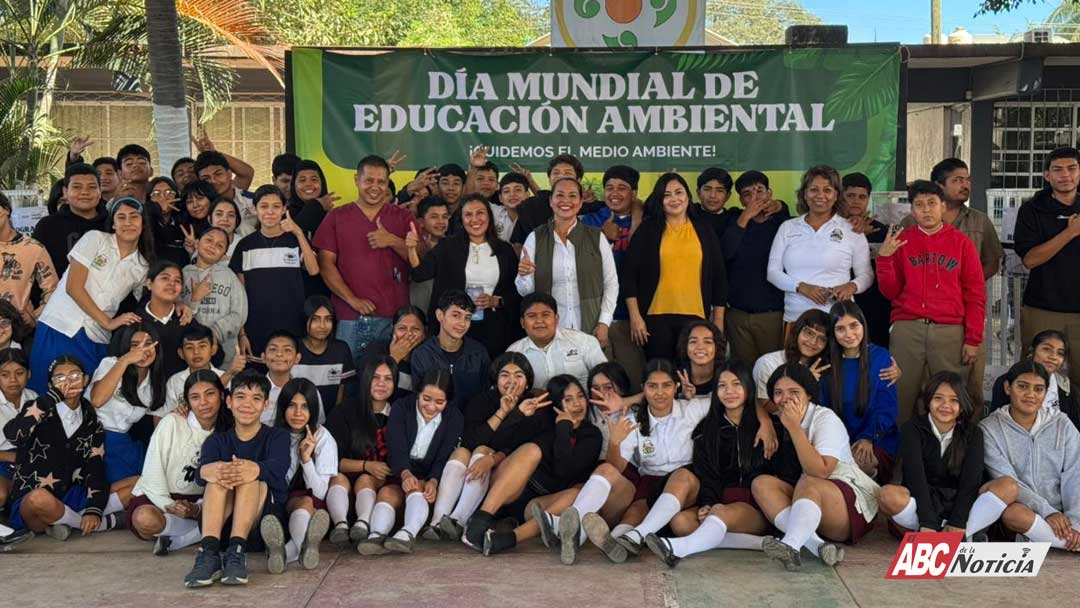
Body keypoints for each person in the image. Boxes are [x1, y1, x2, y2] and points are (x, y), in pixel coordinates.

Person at [542, 359, 711, 565]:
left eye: (666, 385)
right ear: (643, 389)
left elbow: (729, 398)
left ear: (676, 387)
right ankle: (602, 539)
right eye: (652, 386)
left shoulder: (692, 408)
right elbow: (617, 468)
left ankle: (635, 536)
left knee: (681, 477)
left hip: (686, 485)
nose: (659, 393)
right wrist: (614, 442)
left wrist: (764, 421)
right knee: (627, 500)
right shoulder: (632, 419)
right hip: (650, 484)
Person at [640, 363, 802, 567]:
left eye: (736, 384)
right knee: (680, 523)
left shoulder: (771, 428)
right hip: (720, 501)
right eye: (722, 386)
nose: (729, 392)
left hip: (756, 506)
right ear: (715, 392)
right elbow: (706, 475)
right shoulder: (706, 430)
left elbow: (784, 474)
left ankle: (679, 549)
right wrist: (707, 502)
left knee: (719, 513)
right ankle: (759, 544)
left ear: (747, 388)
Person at [752, 364, 880, 571]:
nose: (785, 399)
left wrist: (794, 427)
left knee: (810, 479)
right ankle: (816, 545)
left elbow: (821, 471)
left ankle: (790, 544)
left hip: (850, 505)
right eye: (778, 393)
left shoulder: (825, 418)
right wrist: (765, 421)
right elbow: (751, 400)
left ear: (809, 394)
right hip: (811, 502)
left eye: (794, 392)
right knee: (761, 483)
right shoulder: (780, 420)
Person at [877, 180, 986, 423]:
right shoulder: (902, 241)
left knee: (949, 396)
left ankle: (951, 456)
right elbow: (890, 291)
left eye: (932, 203)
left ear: (943, 206)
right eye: (919, 205)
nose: (926, 210)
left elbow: (975, 293)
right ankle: (899, 457)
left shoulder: (961, 243)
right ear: (911, 210)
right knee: (900, 395)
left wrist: (972, 338)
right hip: (908, 328)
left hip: (949, 330)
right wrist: (884, 259)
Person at [29, 197, 152, 394]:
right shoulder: (95, 238)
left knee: (84, 397)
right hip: (60, 325)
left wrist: (181, 304)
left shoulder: (142, 266)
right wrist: (109, 322)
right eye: (121, 217)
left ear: (143, 222)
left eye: (134, 217)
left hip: (96, 337)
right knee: (45, 391)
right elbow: (73, 287)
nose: (128, 223)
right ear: (113, 223)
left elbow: (150, 301)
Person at [184, 371, 290, 588]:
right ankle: (208, 554)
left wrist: (252, 469)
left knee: (250, 476)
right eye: (241, 397)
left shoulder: (277, 436)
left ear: (266, 405)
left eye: (256, 398)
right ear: (229, 402)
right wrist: (208, 471)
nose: (247, 404)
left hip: (260, 525)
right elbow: (200, 474)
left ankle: (237, 552)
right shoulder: (217, 441)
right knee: (216, 476)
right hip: (218, 527)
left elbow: (279, 467)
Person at [433, 352, 553, 545]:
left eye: (518, 376)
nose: (511, 381)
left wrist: (518, 414)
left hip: (509, 483)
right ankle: (441, 522)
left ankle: (465, 521)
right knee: (467, 451)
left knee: (486, 450)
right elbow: (470, 442)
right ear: (496, 379)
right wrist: (502, 411)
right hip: (472, 478)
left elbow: (518, 447)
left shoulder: (536, 405)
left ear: (528, 382)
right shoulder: (482, 401)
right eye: (505, 375)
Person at [478, 374, 604, 555]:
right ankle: (481, 519)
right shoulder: (542, 421)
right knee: (531, 449)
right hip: (508, 490)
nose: (577, 404)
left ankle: (510, 538)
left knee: (576, 495)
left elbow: (563, 471)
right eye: (568, 399)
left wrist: (564, 428)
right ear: (556, 404)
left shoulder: (591, 435)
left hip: (535, 505)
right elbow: (502, 443)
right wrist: (519, 414)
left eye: (580, 396)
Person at [3, 355, 125, 537]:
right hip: (33, 502)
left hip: (69, 494)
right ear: (51, 386)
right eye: (59, 378)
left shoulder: (90, 419)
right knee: (39, 498)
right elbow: (13, 434)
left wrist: (94, 509)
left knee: (137, 484)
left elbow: (95, 466)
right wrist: (50, 399)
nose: (68, 382)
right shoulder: (38, 407)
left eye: (75, 376)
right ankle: (90, 523)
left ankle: (70, 521)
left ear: (85, 380)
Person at [877, 372, 1007, 540]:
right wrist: (927, 521)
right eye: (938, 398)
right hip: (922, 501)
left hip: (960, 503)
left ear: (962, 403)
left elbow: (971, 480)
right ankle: (933, 532)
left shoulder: (973, 433)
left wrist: (958, 521)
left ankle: (961, 533)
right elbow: (916, 477)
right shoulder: (911, 428)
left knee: (1008, 486)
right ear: (928, 400)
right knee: (887, 495)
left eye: (954, 400)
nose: (946, 405)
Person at [314, 155, 414, 372]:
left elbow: (421, 261)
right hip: (351, 318)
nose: (375, 187)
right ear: (356, 180)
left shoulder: (403, 217)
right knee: (349, 382)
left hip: (395, 318)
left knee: (392, 384)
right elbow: (325, 264)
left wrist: (393, 241)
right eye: (369, 180)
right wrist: (353, 300)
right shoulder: (337, 217)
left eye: (381, 181)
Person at [357, 369, 464, 555]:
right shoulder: (401, 407)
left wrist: (433, 480)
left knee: (417, 488)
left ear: (448, 401)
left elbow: (444, 454)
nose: (431, 407)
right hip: (400, 468)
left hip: (429, 474)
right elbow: (395, 445)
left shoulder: (454, 417)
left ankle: (407, 534)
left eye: (439, 402)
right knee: (387, 492)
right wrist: (405, 472)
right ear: (418, 393)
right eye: (426, 399)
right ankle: (376, 535)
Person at [624, 173, 727, 361]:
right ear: (660, 200)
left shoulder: (704, 230)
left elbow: (719, 276)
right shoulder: (648, 230)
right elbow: (629, 274)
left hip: (696, 318)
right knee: (661, 374)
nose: (674, 199)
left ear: (688, 196)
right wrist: (635, 317)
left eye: (678, 192)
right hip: (655, 317)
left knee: (690, 375)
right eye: (667, 195)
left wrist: (718, 320)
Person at [127, 370, 231, 555]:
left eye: (210, 394)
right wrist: (168, 504)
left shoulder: (229, 430)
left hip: (203, 502)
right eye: (195, 397)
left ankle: (179, 539)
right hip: (162, 497)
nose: (204, 402)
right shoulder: (172, 423)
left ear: (221, 395)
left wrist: (197, 508)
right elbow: (153, 469)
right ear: (187, 401)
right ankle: (199, 532)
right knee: (145, 519)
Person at [980, 360, 1080, 551]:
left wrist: (1076, 521)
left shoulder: (1062, 424)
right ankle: (1069, 542)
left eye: (1038, 389)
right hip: (1025, 511)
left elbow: (1075, 474)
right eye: (1023, 386)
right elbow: (1008, 481)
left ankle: (1065, 536)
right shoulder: (989, 429)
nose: (1030, 395)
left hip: (1063, 513)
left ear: (1046, 392)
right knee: (1014, 514)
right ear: (1008, 388)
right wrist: (1047, 511)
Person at [407, 194, 521, 357]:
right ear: (461, 218)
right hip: (453, 326)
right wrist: (411, 249)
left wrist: (497, 301)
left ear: (489, 216)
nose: (475, 219)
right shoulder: (447, 246)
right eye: (468, 214)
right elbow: (419, 274)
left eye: (480, 213)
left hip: (494, 327)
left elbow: (517, 291)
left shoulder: (504, 250)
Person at [515, 177, 619, 344]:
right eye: (560, 195)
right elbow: (526, 292)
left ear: (580, 202)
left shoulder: (596, 237)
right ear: (551, 201)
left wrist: (604, 322)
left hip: (590, 324)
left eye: (572, 196)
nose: (566, 201)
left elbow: (611, 283)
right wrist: (524, 274)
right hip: (550, 329)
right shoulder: (536, 237)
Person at [767, 165, 872, 326]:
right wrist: (802, 287)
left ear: (836, 195)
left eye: (827, 190)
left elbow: (866, 275)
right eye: (814, 189)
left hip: (840, 320)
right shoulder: (788, 227)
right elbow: (772, 273)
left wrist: (852, 286)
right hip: (797, 319)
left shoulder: (851, 229)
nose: (820, 195)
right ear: (805, 194)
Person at [1015, 146, 1080, 393]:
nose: (1066, 175)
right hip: (1042, 307)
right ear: (1047, 176)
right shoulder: (1032, 209)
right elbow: (1030, 260)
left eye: (1072, 168)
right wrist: (1070, 232)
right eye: (1058, 169)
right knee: (1033, 377)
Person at [231, 185, 319, 358]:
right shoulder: (245, 245)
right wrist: (242, 334)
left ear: (284, 209)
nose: (270, 212)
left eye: (276, 206)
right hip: (255, 328)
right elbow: (238, 296)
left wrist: (299, 233)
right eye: (264, 206)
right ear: (254, 209)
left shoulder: (295, 241)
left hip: (292, 327)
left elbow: (314, 270)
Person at [261, 378, 335, 573]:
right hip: (273, 502)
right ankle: (299, 550)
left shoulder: (323, 437)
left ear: (313, 410)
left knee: (305, 502)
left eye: (305, 407)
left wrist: (306, 459)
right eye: (292, 406)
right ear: (283, 407)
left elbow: (319, 492)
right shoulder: (269, 431)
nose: (298, 413)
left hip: (305, 505)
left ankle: (286, 552)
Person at [580, 165, 645, 383]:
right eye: (609, 188)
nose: (614, 193)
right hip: (596, 319)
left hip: (632, 319)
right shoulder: (590, 221)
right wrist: (603, 236)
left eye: (622, 188)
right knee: (599, 381)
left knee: (634, 379)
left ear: (634, 193)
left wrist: (637, 217)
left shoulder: (647, 222)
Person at [820, 301, 899, 481]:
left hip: (875, 439)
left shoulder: (880, 357)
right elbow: (823, 410)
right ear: (833, 333)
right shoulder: (827, 365)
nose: (849, 334)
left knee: (858, 464)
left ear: (863, 324)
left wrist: (868, 437)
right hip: (839, 439)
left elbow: (886, 406)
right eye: (840, 329)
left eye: (854, 325)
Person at [324, 356, 396, 547]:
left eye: (388, 379)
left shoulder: (399, 414)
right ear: (365, 380)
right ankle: (340, 525)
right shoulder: (344, 411)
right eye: (376, 377)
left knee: (366, 479)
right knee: (338, 477)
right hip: (344, 481)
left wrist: (374, 471)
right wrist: (366, 465)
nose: (382, 384)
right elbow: (330, 461)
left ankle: (362, 524)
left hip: (379, 485)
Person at [89, 324, 166, 500]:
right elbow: (97, 400)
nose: (142, 350)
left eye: (148, 344)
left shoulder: (154, 383)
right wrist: (125, 361)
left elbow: (158, 427)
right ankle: (92, 510)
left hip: (123, 443)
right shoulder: (111, 363)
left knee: (150, 484)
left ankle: (109, 516)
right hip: (94, 437)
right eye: (135, 345)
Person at [721, 171, 790, 367]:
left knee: (773, 370)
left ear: (770, 194)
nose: (754, 198)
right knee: (743, 373)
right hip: (738, 315)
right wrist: (745, 218)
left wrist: (780, 206)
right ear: (741, 200)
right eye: (747, 194)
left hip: (773, 314)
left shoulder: (784, 224)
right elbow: (725, 253)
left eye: (760, 191)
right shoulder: (733, 219)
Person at [409, 290, 490, 414]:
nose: (462, 323)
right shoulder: (422, 354)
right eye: (456, 315)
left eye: (467, 317)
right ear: (440, 315)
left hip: (471, 423)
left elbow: (485, 396)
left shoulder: (478, 353)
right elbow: (420, 400)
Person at [506, 293, 606, 388]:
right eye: (532, 316)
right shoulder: (514, 353)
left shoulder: (584, 342)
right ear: (522, 322)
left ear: (557, 319)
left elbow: (606, 379)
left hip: (581, 405)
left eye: (545, 315)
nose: (539, 321)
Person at [182, 226, 247, 368]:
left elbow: (239, 313)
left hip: (224, 353)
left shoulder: (229, 275)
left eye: (220, 245)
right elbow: (178, 311)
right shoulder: (183, 274)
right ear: (197, 243)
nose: (212, 246)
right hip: (190, 350)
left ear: (223, 254)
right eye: (209, 240)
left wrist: (215, 332)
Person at [841, 172, 892, 349]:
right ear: (840, 197)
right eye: (850, 196)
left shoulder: (882, 231)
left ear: (869, 199)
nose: (856, 201)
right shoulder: (831, 229)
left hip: (877, 306)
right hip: (843, 303)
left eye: (862, 197)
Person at [32, 163, 108, 278]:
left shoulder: (112, 224)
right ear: (65, 191)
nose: (85, 192)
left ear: (100, 191)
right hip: (58, 294)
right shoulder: (48, 226)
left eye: (92, 187)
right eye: (77, 187)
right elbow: (35, 265)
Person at [990, 330, 1080, 428]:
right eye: (1047, 349)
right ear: (1032, 351)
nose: (1053, 357)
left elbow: (1073, 429)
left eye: (1060, 353)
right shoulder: (1008, 381)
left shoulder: (1068, 389)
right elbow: (995, 423)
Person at [752, 309, 831, 408]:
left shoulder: (826, 368)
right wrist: (805, 382)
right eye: (809, 333)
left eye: (822, 339)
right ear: (797, 331)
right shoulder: (768, 363)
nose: (813, 342)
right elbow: (768, 407)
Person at [0, 192, 58, 325]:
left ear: (6, 210)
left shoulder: (34, 248)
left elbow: (52, 289)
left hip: (17, 330)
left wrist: (34, 317)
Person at [124, 260, 187, 377]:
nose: (171, 284)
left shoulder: (185, 320)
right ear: (149, 284)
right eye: (165, 278)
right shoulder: (132, 321)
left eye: (177, 281)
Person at [293, 295, 356, 412]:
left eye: (328, 319)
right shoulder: (293, 348)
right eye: (315, 319)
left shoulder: (341, 349)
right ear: (305, 319)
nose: (322, 326)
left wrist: (335, 417)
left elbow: (343, 388)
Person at [259, 330, 325, 426]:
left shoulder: (308, 390)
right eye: (273, 349)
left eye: (287, 350)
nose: (279, 354)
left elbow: (317, 426)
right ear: (263, 357)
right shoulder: (253, 391)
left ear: (297, 358)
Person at [360, 306, 426, 398]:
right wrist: (394, 358)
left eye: (415, 329)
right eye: (402, 328)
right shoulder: (375, 349)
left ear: (424, 333)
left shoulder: (428, 356)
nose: (408, 334)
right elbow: (367, 387)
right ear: (393, 329)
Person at [162, 323, 227, 414]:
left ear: (213, 349)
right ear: (181, 353)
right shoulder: (174, 381)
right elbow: (167, 416)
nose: (196, 352)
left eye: (202, 346)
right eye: (189, 347)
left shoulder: (226, 377)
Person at [0, 349, 36, 510]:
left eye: (19, 373)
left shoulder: (34, 398)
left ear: (29, 374)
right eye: (5, 375)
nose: (13, 380)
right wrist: (9, 456)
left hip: (32, 459)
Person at [194, 149, 257, 236]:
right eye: (206, 178)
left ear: (229, 174)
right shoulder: (199, 208)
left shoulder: (253, 201)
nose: (213, 181)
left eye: (218, 174)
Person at [409, 195, 452, 314]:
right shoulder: (413, 245)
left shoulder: (455, 247)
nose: (441, 222)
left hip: (445, 317)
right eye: (434, 217)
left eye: (444, 217)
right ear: (421, 222)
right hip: (419, 315)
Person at [676, 320, 726, 397]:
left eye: (707, 342)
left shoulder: (726, 377)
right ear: (685, 346)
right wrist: (682, 397)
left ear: (717, 347)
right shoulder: (675, 379)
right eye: (693, 341)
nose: (700, 347)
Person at [146, 176, 188, 266]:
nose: (163, 198)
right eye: (156, 194)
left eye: (169, 193)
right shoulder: (144, 220)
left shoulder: (185, 221)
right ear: (149, 198)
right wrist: (156, 209)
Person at [493, 173, 529, 242]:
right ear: (500, 198)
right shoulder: (495, 212)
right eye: (506, 191)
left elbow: (548, 202)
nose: (512, 194)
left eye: (518, 190)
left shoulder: (535, 217)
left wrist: (531, 181)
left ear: (527, 195)